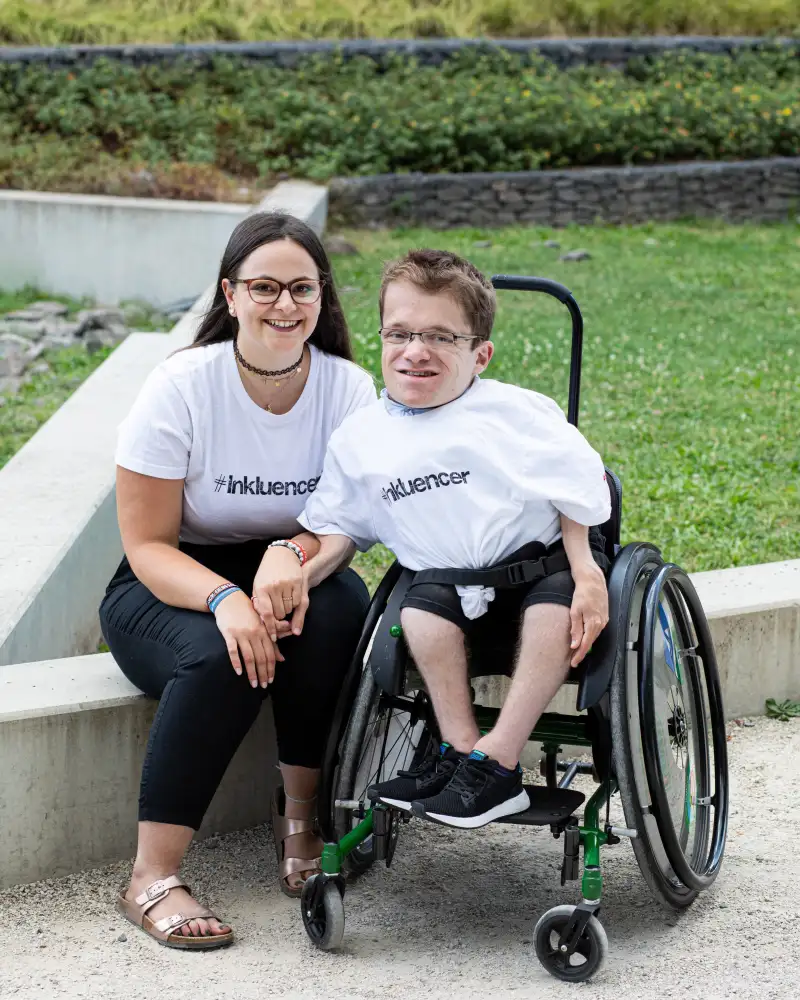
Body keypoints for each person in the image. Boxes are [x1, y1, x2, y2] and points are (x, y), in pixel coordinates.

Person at [99, 212, 375, 949]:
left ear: (322, 296)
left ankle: (302, 824)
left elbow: (349, 519)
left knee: (341, 612)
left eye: (301, 289)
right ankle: (151, 876)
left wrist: (294, 552)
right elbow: (148, 546)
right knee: (221, 655)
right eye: (264, 287)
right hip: (171, 582)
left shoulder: (348, 387)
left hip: (288, 572)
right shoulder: (181, 386)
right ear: (230, 293)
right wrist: (226, 598)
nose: (284, 305)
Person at [298, 249, 611, 830]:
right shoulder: (362, 437)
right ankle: (460, 749)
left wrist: (589, 575)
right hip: (446, 583)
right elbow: (339, 526)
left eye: (440, 337)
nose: (415, 351)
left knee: (553, 608)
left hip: (542, 567)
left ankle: (500, 764)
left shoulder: (515, 413)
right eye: (400, 333)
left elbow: (579, 488)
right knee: (418, 615)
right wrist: (295, 569)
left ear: (480, 354)